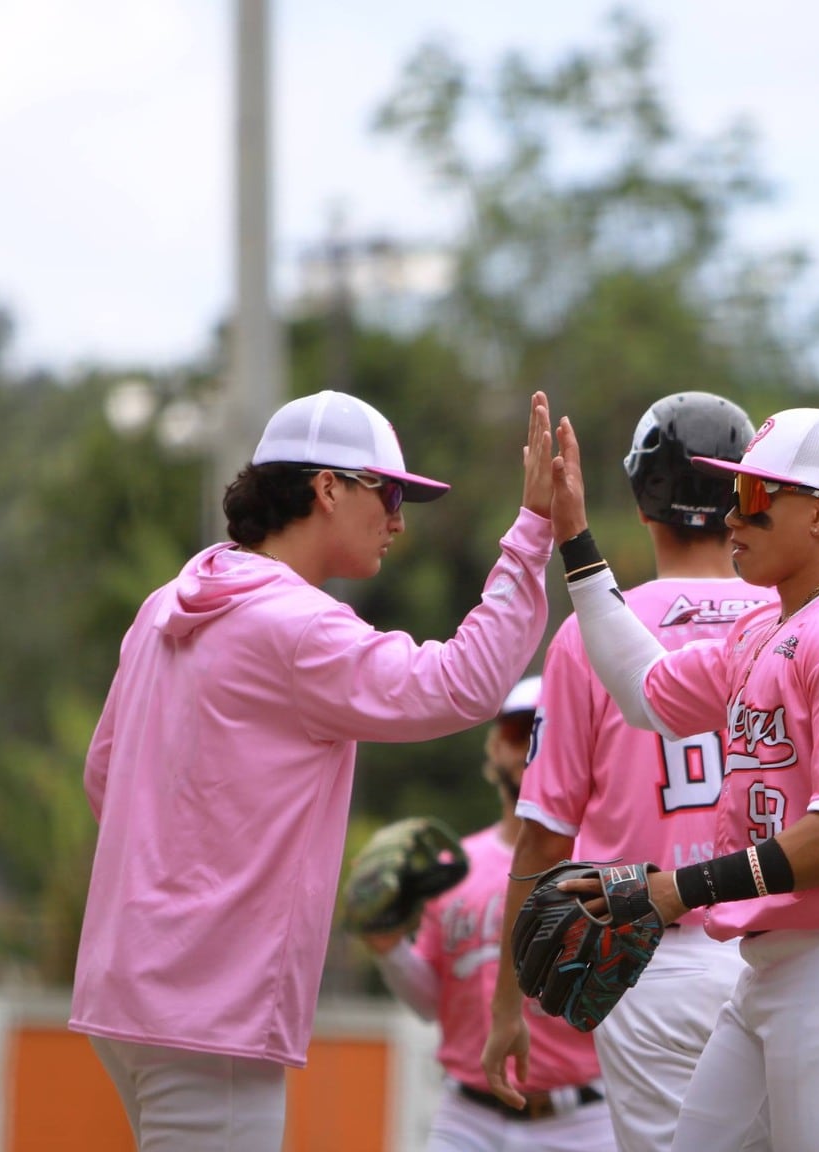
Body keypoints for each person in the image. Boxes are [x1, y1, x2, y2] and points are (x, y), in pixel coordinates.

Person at [73, 390, 573, 1150]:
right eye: (390, 493)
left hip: (128, 987)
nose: (398, 520)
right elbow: (462, 684)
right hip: (210, 1006)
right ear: (328, 487)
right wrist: (531, 532)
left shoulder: (163, 607)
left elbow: (102, 777)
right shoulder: (297, 625)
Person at [521, 406, 819, 1152]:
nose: (731, 516)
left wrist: (677, 889)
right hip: (773, 961)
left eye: (755, 497)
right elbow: (645, 691)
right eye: (734, 495)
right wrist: (576, 541)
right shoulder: (763, 630)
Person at [485, 391, 774, 1152]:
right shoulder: (796, 619)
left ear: (643, 502)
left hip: (653, 961)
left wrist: (507, 1004)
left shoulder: (593, 633)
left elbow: (544, 839)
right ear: (747, 495)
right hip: (788, 952)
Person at [366, 676, 616, 1152]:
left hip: (583, 1119)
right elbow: (431, 1004)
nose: (532, 749)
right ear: (494, 748)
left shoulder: (602, 866)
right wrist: (388, 946)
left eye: (548, 734)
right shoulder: (453, 867)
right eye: (521, 734)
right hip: (465, 1118)